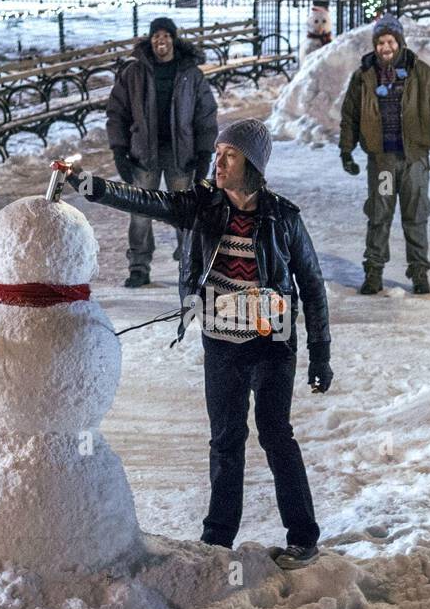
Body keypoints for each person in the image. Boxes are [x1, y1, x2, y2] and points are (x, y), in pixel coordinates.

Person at [74, 119, 332, 569]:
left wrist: (321, 353)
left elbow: (312, 286)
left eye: (229, 155)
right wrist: (95, 188)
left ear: (251, 164)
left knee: (276, 436)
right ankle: (218, 540)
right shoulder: (202, 205)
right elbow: (148, 200)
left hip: (273, 344)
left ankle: (303, 537)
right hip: (222, 342)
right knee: (226, 440)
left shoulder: (283, 217)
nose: (218, 161)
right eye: (218, 152)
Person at [339, 14, 430, 296]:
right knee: (380, 214)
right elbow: (350, 115)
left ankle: (419, 272)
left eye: (390, 41)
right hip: (384, 162)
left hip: (414, 160)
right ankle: (374, 272)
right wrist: (346, 151)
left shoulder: (422, 73)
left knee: (416, 215)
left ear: (399, 42)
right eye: (380, 42)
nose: (385, 47)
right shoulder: (364, 76)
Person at [106, 16, 218, 288]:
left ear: (173, 39)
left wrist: (204, 154)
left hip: (181, 155)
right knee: (140, 214)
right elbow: (116, 112)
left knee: (184, 214)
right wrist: (119, 150)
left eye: (166, 36)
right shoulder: (134, 73)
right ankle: (139, 267)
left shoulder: (191, 73)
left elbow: (206, 116)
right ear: (150, 39)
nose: (161, 41)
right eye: (156, 36)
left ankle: (191, 267)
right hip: (144, 155)